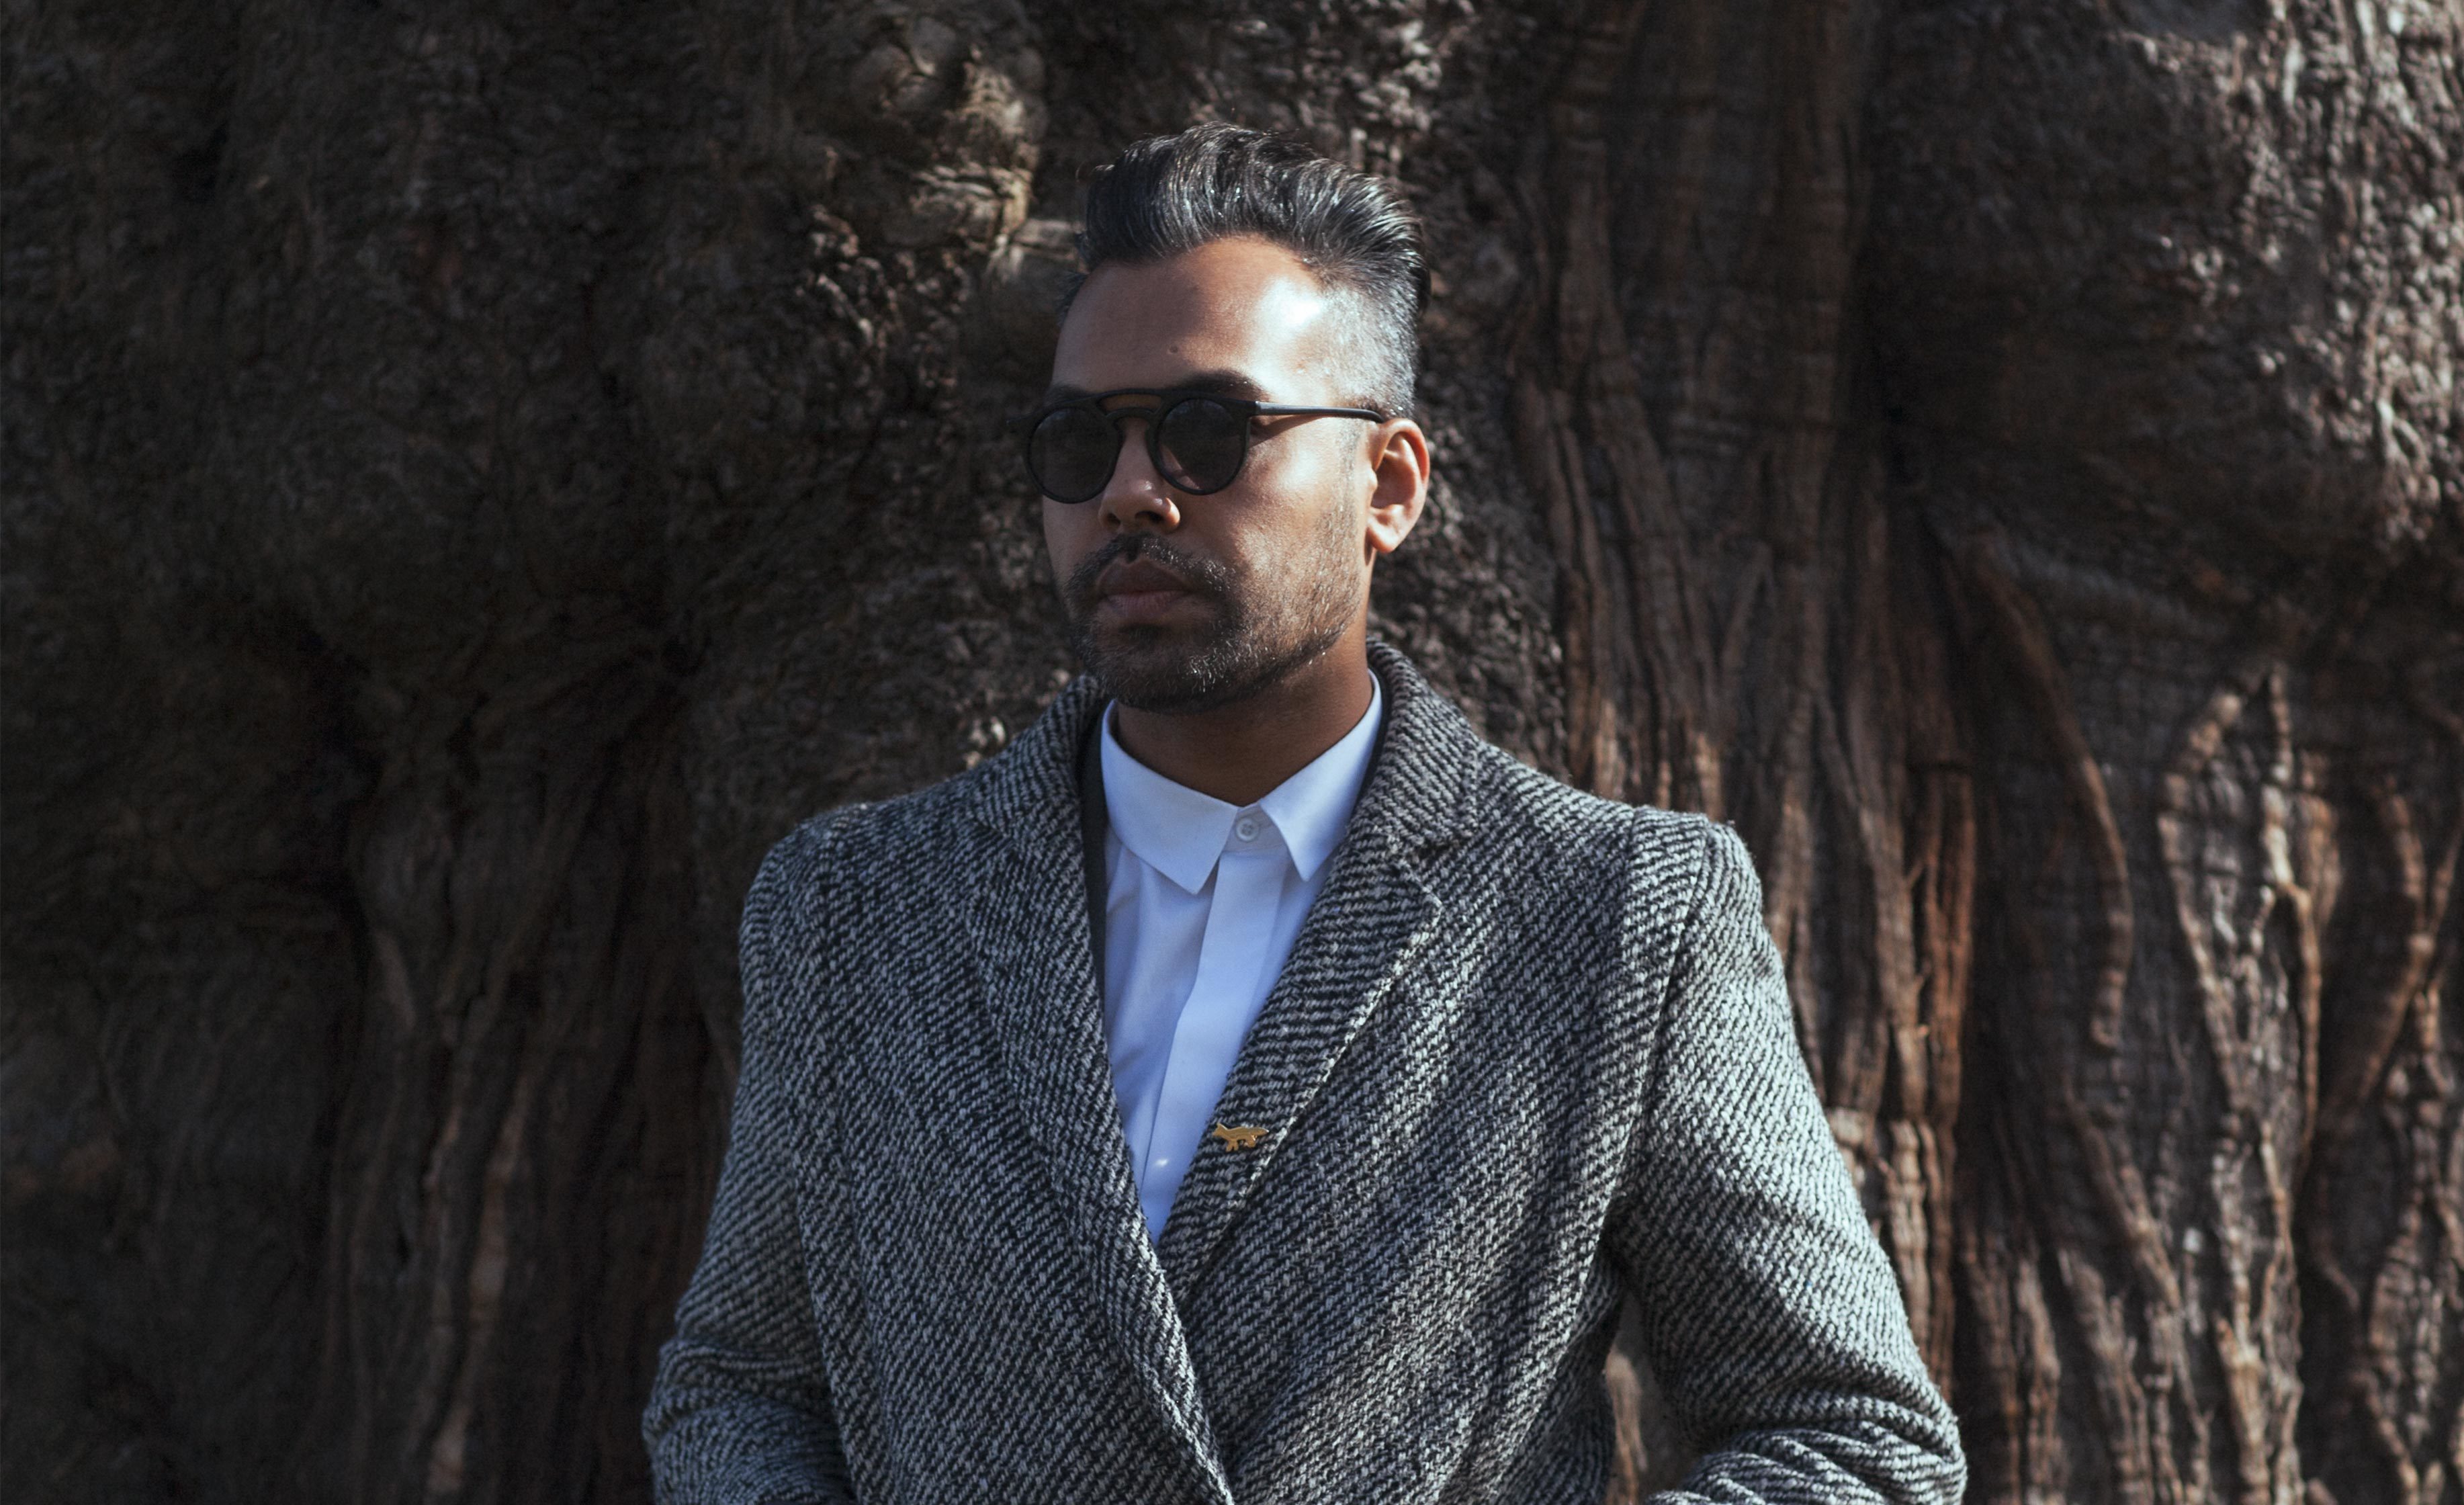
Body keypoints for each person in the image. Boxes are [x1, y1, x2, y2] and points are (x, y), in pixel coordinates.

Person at [644, 122, 1964, 1505]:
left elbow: (1851, 1439)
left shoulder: (1614, 917)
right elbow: (745, 1390)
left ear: (1388, 485)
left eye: (1211, 432)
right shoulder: (855, 910)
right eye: (1081, 440)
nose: (1132, 491)